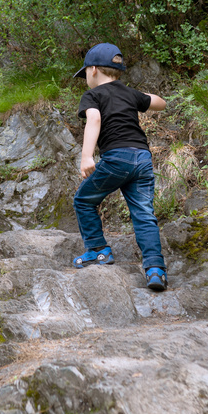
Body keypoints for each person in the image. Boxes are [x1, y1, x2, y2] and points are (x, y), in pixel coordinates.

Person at [71, 43, 169, 292]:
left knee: (83, 200)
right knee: (144, 214)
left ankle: (98, 250)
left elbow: (94, 119)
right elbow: (160, 103)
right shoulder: (129, 93)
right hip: (143, 158)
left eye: (85, 75)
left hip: (117, 158)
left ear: (92, 70)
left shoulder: (93, 95)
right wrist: (137, 96)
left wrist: (86, 156)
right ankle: (156, 270)